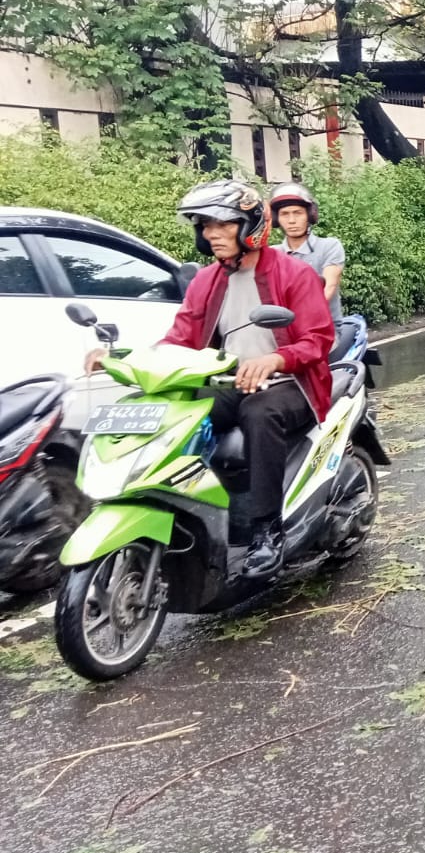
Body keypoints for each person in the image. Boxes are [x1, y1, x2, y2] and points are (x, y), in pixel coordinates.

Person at [86, 180, 334, 577]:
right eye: (205, 226)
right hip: (227, 380)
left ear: (250, 224)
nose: (212, 234)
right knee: (173, 410)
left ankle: (266, 530)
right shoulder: (206, 280)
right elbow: (179, 338)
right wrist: (121, 358)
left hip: (292, 383)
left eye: (223, 224)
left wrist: (275, 358)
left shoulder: (295, 274)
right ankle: (178, 505)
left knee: (259, 413)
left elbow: (318, 340)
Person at [270, 182, 346, 319]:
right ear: (276, 219)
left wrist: (298, 317)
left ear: (309, 215)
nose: (291, 220)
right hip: (285, 329)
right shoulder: (272, 254)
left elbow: (329, 286)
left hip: (326, 328)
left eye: (297, 213)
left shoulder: (329, 246)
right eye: (285, 214)